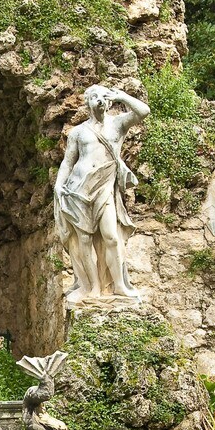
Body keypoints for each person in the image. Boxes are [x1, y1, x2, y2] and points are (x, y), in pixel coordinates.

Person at [54, 84, 150, 303]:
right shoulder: (78, 132)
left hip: (105, 186)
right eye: (93, 97)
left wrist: (122, 95)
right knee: (84, 241)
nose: (99, 100)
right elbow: (68, 163)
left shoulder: (118, 124)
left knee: (111, 237)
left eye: (103, 97)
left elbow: (143, 112)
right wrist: (59, 185)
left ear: (108, 102)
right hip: (78, 188)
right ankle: (93, 287)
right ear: (87, 103)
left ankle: (119, 286)